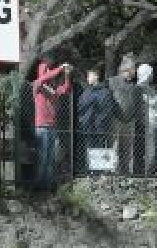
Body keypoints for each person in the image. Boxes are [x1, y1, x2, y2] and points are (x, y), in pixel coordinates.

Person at [31, 56, 71, 191]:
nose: (49, 72)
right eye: (46, 70)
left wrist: (66, 75)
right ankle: (39, 185)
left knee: (50, 158)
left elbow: (65, 89)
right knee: (42, 157)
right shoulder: (37, 84)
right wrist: (60, 68)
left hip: (52, 126)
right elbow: (44, 77)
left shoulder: (52, 89)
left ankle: (47, 186)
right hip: (41, 126)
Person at [76, 68, 118, 174]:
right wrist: (84, 119)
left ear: (96, 76)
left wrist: (99, 120)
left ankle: (99, 172)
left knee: (100, 148)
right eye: (88, 76)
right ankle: (91, 171)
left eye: (90, 76)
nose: (88, 78)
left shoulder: (105, 91)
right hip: (87, 125)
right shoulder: (86, 92)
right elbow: (80, 107)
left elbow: (108, 109)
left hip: (100, 126)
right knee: (89, 148)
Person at [106, 58, 139, 175]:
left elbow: (136, 103)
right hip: (115, 120)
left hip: (129, 121)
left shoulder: (133, 86)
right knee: (114, 147)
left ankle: (125, 173)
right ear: (126, 69)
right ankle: (111, 172)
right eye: (133, 69)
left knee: (127, 149)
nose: (135, 72)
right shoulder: (111, 82)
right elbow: (108, 101)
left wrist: (133, 117)